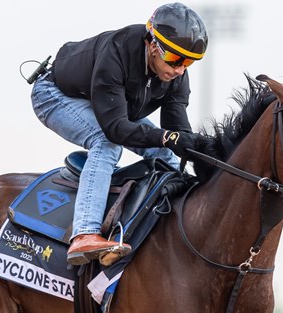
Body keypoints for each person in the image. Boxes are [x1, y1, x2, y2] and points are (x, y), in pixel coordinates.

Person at [30, 2, 208, 266]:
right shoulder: (117, 50)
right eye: (175, 59)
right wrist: (167, 138)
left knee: (165, 152)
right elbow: (115, 129)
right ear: (151, 43)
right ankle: (84, 233)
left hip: (110, 103)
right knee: (106, 142)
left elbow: (176, 132)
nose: (180, 70)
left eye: (189, 62)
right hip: (54, 95)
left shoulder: (177, 76)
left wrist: (206, 155)